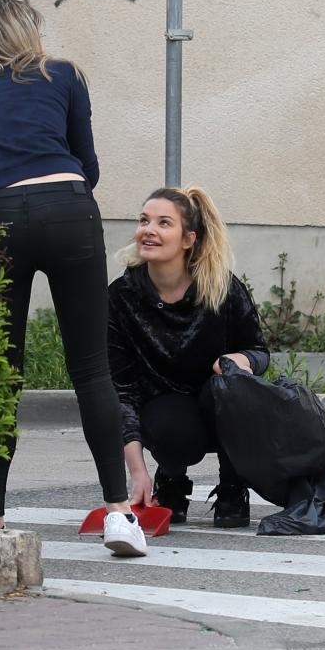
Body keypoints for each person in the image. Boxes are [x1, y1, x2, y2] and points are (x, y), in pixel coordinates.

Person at [0, 0, 143, 557]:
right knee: (92, 369)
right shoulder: (65, 77)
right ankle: (120, 515)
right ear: (30, 33)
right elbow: (88, 165)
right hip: (68, 207)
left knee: (1, 373)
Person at [107, 187, 269, 531]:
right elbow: (121, 390)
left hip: (220, 398)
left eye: (163, 223)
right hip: (166, 407)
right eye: (144, 221)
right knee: (172, 431)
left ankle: (233, 484)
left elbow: (259, 350)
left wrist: (241, 359)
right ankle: (171, 479)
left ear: (188, 239)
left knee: (233, 390)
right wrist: (137, 473)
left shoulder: (222, 288)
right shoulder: (122, 297)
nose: (149, 230)